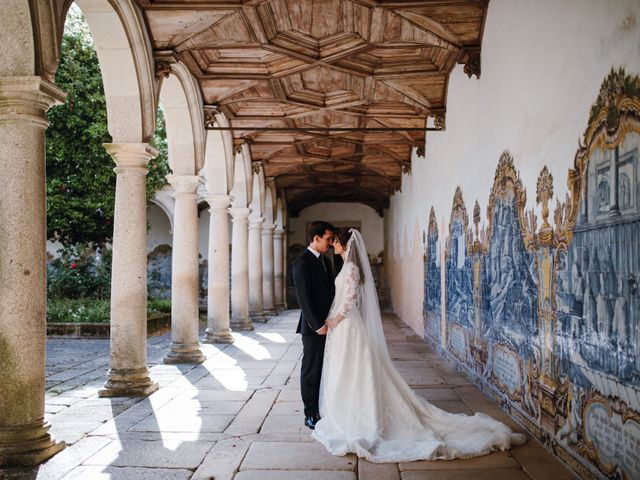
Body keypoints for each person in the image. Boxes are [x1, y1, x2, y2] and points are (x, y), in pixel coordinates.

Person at [313, 227, 526, 463]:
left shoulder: (351, 268)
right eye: (331, 242)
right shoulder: (346, 266)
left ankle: (364, 417)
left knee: (356, 371)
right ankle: (349, 412)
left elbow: (351, 300)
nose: (333, 244)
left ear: (346, 245)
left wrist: (335, 319)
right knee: (349, 370)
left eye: (336, 242)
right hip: (345, 329)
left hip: (348, 326)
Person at [292, 221, 336, 430]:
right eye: (327, 238)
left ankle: (324, 408)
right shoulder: (302, 262)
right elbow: (303, 298)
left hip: (331, 325)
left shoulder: (326, 262)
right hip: (313, 328)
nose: (330, 242)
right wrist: (317, 325)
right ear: (316, 238)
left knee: (327, 368)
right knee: (311, 370)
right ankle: (310, 413)